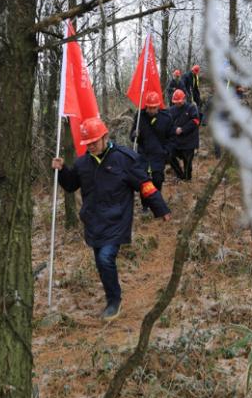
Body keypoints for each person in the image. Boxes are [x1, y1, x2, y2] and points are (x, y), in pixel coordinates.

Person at [52, 117, 171, 321]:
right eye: (87, 144)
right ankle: (112, 295)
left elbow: (145, 185)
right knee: (101, 261)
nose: (91, 147)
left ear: (105, 137)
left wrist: (160, 208)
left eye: (94, 142)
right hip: (93, 221)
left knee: (106, 258)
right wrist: (62, 171)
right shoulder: (82, 163)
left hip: (117, 219)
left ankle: (114, 301)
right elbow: (71, 185)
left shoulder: (124, 159)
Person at [130, 91, 174, 210]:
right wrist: (135, 135)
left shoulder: (166, 118)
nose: (151, 110)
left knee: (157, 180)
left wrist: (167, 152)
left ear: (158, 106)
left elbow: (171, 138)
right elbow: (132, 137)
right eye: (149, 107)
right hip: (143, 155)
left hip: (159, 155)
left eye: (154, 107)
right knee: (144, 181)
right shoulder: (140, 116)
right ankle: (145, 205)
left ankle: (155, 203)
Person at [168, 89, 200, 180]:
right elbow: (168, 123)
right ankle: (180, 175)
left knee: (188, 162)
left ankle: (187, 179)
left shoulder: (191, 108)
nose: (177, 104)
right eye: (176, 102)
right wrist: (175, 129)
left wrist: (183, 129)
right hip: (176, 141)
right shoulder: (171, 110)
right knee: (169, 156)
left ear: (184, 99)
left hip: (189, 141)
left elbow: (196, 121)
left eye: (179, 102)